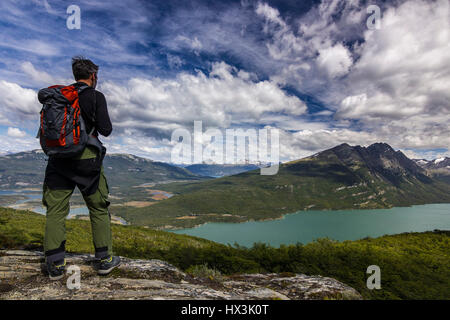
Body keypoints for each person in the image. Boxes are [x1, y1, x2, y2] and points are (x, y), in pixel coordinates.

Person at [41, 56, 120, 280]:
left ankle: (55, 265)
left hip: (58, 158)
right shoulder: (95, 96)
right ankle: (104, 260)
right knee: (98, 207)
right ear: (93, 76)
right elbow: (106, 130)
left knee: (55, 209)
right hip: (87, 159)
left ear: (75, 75)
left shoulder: (59, 97)